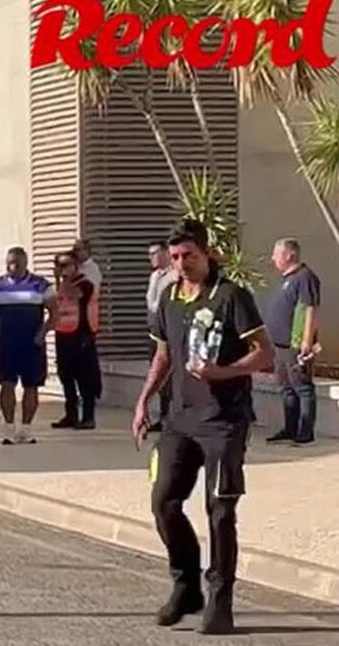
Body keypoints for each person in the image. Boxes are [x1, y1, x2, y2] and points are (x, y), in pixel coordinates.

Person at [132, 219, 273, 635]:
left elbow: (264, 354)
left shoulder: (231, 297)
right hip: (179, 419)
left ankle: (220, 600)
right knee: (164, 502)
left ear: (206, 253)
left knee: (220, 511)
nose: (181, 264)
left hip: (223, 422)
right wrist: (143, 401)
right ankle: (185, 585)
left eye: (188, 256)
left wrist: (222, 372)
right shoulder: (170, 298)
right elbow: (163, 355)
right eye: (175, 257)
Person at [0, 247, 57, 445]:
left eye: (16, 264)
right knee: (7, 384)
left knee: (31, 386)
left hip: (31, 344)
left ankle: (26, 429)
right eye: (9, 263)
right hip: (6, 343)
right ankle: (8, 428)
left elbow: (55, 314)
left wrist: (42, 332)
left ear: (25, 263)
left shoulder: (41, 285)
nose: (12, 267)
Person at [266, 238, 321, 446]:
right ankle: (290, 429)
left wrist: (306, 340)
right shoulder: (287, 279)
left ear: (289, 255)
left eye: (276, 254)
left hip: (295, 344)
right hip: (280, 345)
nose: (273, 259)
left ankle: (305, 432)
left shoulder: (305, 277)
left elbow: (310, 308)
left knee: (302, 387)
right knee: (286, 387)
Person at [51, 251, 100, 430]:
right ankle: (70, 415)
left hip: (81, 334)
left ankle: (88, 417)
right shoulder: (60, 286)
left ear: (76, 266)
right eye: (58, 265)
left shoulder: (85, 283)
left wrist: (62, 280)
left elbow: (75, 295)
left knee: (85, 378)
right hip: (63, 334)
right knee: (66, 376)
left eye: (65, 265)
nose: (61, 269)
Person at [146, 241, 178, 432]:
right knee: (158, 374)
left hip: (170, 332)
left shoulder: (175, 275)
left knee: (170, 375)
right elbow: (152, 304)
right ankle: (163, 416)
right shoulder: (154, 276)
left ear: (166, 253)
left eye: (155, 253)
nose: (151, 258)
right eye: (149, 254)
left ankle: (172, 418)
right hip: (155, 331)